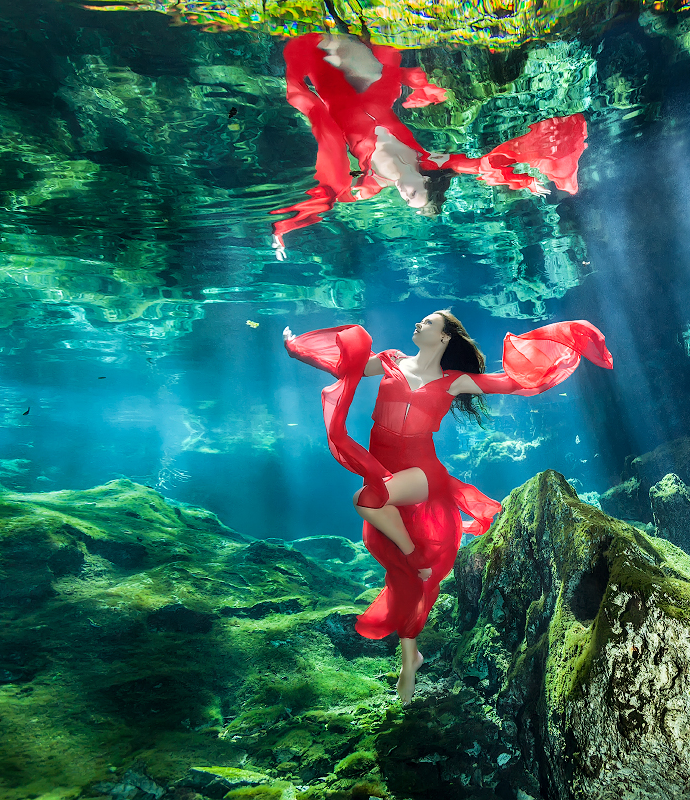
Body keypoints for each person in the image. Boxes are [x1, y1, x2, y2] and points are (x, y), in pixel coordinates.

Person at [284, 311, 612, 701]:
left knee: (365, 500)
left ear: (444, 338)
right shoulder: (389, 361)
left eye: (427, 323)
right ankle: (411, 660)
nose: (418, 325)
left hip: (422, 474)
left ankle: (411, 553)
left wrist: (567, 341)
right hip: (387, 471)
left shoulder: (454, 381)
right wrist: (296, 349)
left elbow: (511, 382)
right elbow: (343, 363)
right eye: (419, 321)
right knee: (404, 580)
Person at [271, 32, 589, 259]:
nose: (403, 194)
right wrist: (525, 180)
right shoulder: (431, 161)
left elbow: (327, 198)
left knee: (314, 50)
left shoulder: (371, 183)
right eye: (413, 194)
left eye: (406, 199)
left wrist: (283, 228)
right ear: (424, 181)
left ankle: (332, 44)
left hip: (336, 98)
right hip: (373, 90)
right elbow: (481, 166)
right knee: (369, 57)